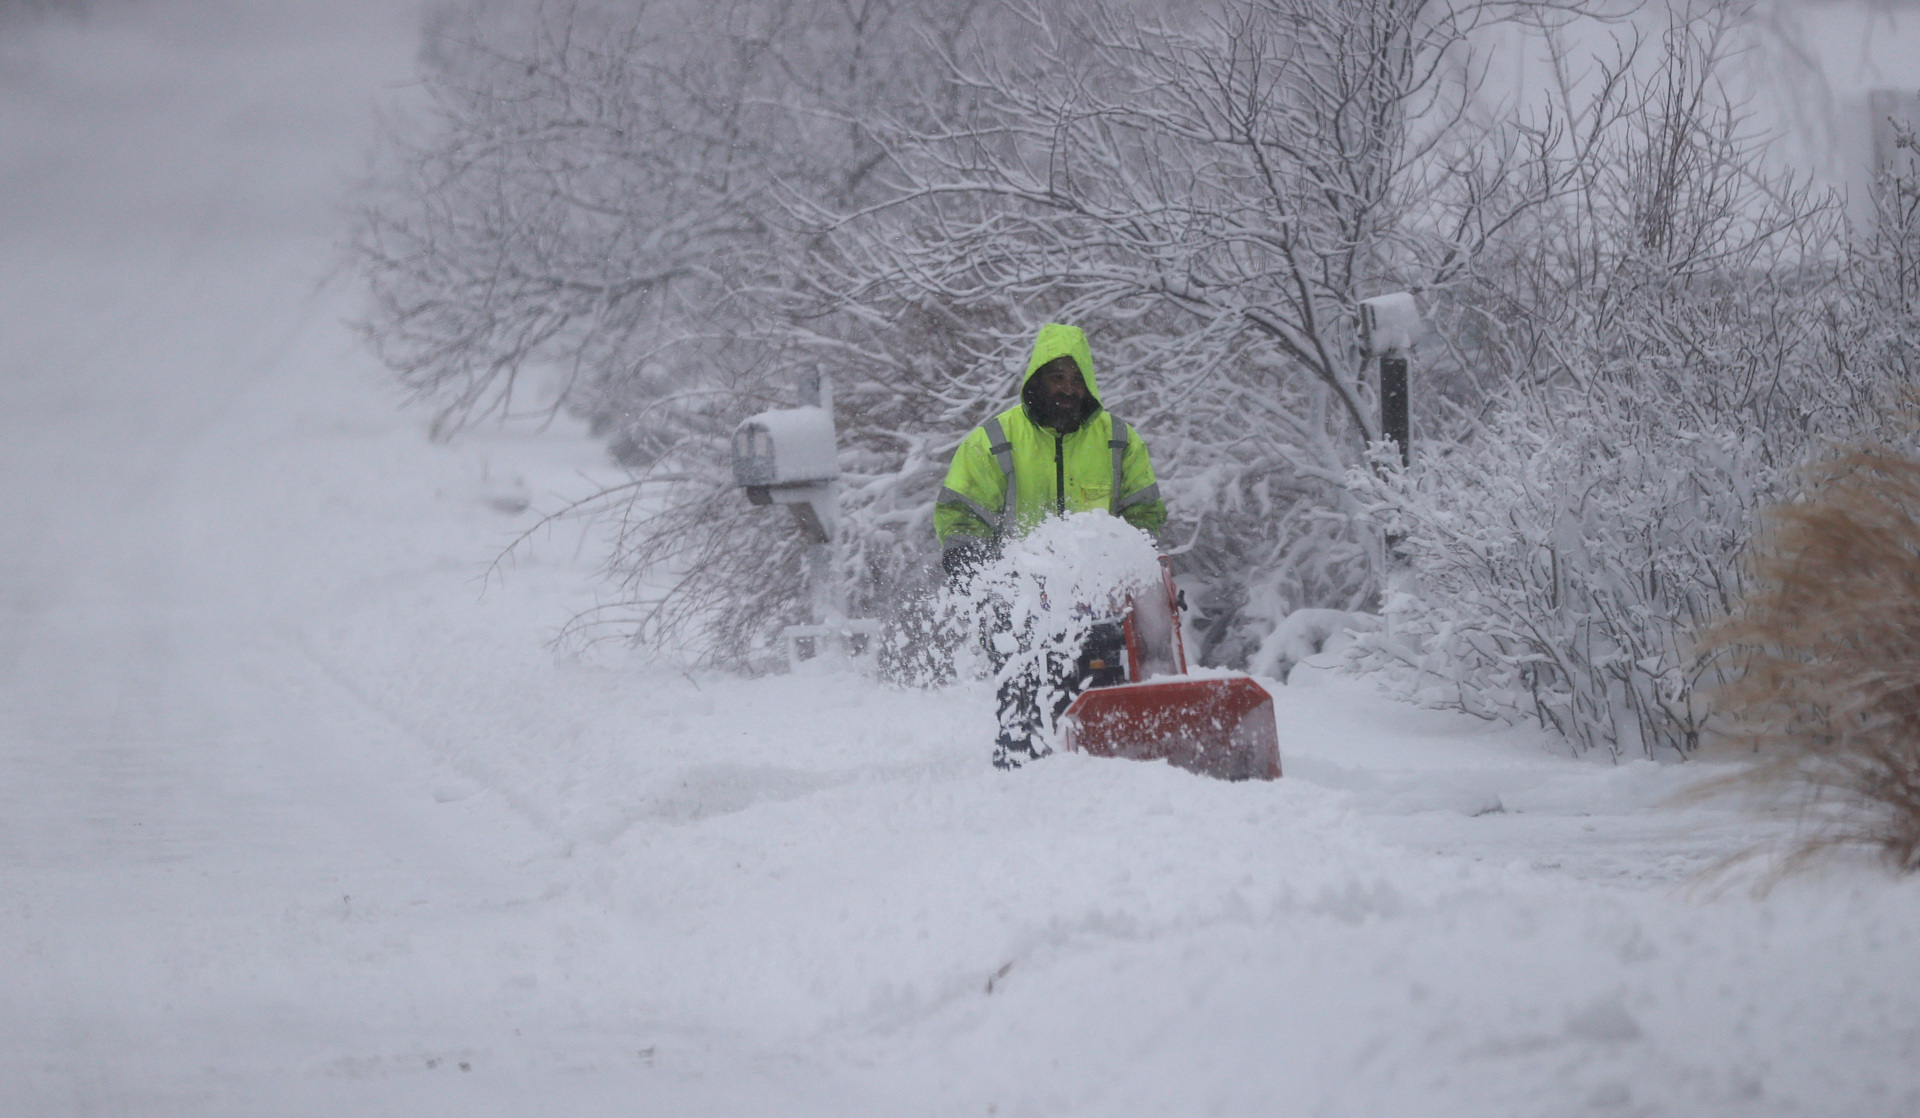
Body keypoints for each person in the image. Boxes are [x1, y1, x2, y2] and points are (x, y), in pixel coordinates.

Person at [934, 323, 1168, 769]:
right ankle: (1024, 777)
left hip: (1098, 601)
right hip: (1019, 604)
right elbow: (961, 512)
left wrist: (1130, 555)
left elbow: (1144, 513)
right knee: (1024, 700)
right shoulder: (996, 441)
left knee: (1101, 693)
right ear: (1037, 379)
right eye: (1057, 377)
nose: (1067, 388)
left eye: (1076, 379)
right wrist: (967, 559)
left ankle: (1105, 773)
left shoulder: (1118, 441)